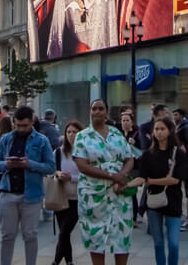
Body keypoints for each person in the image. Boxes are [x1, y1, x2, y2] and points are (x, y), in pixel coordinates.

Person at [73, 98, 138, 265]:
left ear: (106, 112)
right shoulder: (82, 136)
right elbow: (82, 165)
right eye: (94, 109)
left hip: (118, 193)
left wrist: (122, 176)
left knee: (122, 234)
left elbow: (129, 158)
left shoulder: (116, 133)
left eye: (101, 108)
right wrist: (111, 176)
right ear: (90, 112)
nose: (97, 111)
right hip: (93, 194)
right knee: (95, 236)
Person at [0, 106, 54, 265]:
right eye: (18, 125)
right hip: (8, 191)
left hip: (31, 194)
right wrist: (7, 164)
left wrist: (29, 164)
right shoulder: (6, 138)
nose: (21, 129)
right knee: (7, 235)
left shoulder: (41, 140)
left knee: (30, 235)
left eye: (25, 126)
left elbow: (50, 167)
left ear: (32, 122)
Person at [138, 116, 188, 265]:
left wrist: (152, 181)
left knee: (173, 243)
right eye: (156, 129)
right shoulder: (148, 154)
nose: (159, 132)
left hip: (173, 201)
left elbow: (175, 179)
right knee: (158, 243)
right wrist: (126, 185)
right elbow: (142, 177)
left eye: (162, 129)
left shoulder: (177, 153)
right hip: (154, 202)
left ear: (170, 131)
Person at [52, 121, 83, 265]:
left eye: (75, 132)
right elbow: (51, 170)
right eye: (69, 132)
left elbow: (87, 176)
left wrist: (72, 177)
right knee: (64, 234)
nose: (71, 135)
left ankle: (56, 261)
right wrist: (57, 174)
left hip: (77, 198)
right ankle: (69, 261)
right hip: (60, 197)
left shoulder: (83, 153)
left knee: (64, 232)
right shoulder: (58, 152)